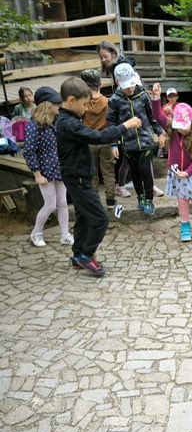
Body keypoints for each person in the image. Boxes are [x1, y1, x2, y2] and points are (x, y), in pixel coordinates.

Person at [56, 76, 141, 276]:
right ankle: (86, 255)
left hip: (78, 177)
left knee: (84, 217)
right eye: (84, 104)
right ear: (71, 100)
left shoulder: (70, 120)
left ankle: (78, 255)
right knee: (100, 219)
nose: (87, 109)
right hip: (78, 179)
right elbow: (99, 137)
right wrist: (126, 125)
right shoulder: (68, 124)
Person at [150, 86, 192, 242]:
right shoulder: (173, 129)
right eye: (179, 127)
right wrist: (156, 99)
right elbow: (157, 116)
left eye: (184, 127)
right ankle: (185, 226)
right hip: (177, 174)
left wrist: (188, 172)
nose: (181, 130)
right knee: (182, 202)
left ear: (191, 122)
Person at [107, 63, 163, 216]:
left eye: (131, 84)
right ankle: (141, 198)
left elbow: (151, 116)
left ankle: (149, 200)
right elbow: (112, 123)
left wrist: (160, 132)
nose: (130, 88)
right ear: (117, 83)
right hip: (128, 143)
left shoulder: (143, 95)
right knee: (135, 172)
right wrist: (114, 144)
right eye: (126, 86)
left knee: (145, 169)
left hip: (145, 140)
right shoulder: (115, 100)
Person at [23, 86, 73, 248]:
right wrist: (37, 174)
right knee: (50, 204)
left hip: (59, 168)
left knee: (62, 202)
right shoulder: (34, 125)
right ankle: (36, 233)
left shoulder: (56, 121)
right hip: (44, 171)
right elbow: (29, 151)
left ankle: (65, 234)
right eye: (56, 103)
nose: (59, 105)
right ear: (46, 105)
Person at [80, 69, 117, 210]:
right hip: (105, 139)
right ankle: (111, 200)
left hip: (89, 141)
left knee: (92, 173)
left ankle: (95, 200)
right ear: (100, 85)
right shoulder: (108, 102)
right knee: (108, 172)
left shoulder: (83, 103)